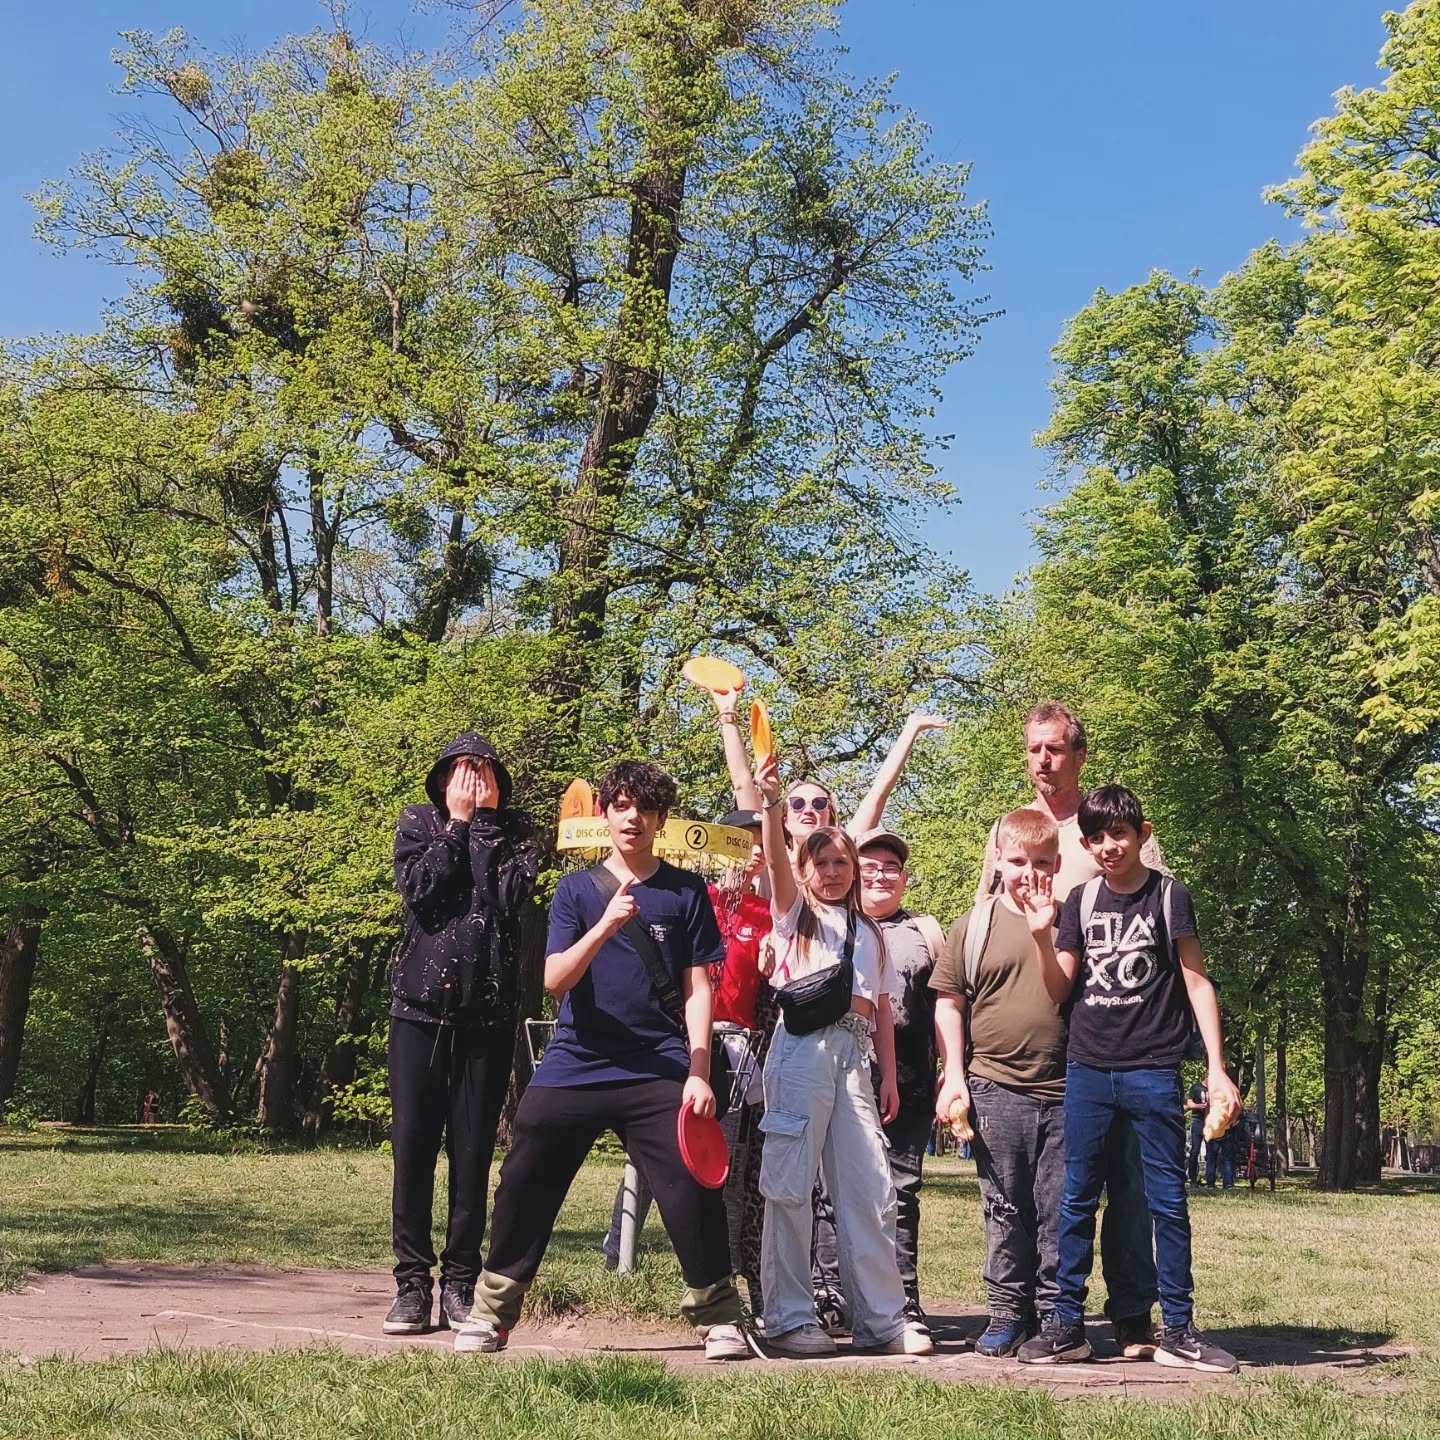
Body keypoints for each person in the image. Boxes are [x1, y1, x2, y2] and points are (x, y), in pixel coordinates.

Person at [452, 760, 750, 1361]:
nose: (631, 817)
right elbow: (554, 979)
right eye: (620, 805)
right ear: (605, 814)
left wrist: (698, 1072)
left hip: (659, 1065)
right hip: (577, 1061)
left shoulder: (686, 891)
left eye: (644, 808)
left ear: (660, 819)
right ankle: (491, 1313)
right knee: (523, 1177)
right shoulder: (576, 891)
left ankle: (718, 1315)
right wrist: (604, 927)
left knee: (693, 1187)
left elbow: (699, 989)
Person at [1016, 785, 1242, 1372]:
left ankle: (1180, 1329)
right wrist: (1043, 933)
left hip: (1152, 1071)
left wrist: (1216, 1069)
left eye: (1120, 834)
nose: (1109, 847)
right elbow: (1059, 988)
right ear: (1085, 844)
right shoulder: (1081, 902)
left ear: (1142, 832)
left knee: (1166, 1202)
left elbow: (1196, 982)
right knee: (1076, 1202)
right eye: (1096, 838)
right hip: (1088, 1070)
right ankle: (1066, 1326)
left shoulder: (1169, 897)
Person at [973, 702, 1162, 1357]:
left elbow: (1157, 915)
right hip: (1034, 1049)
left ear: (1079, 755)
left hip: (1114, 1032)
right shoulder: (1008, 830)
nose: (1043, 761)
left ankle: (1134, 1310)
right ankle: (1035, 1312)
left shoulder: (1107, 828)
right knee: (1050, 1193)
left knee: (1128, 1183)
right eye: (1033, 750)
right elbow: (985, 919)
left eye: (1055, 749)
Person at [752, 752, 933, 1358]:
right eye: (821, 863)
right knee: (790, 1186)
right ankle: (790, 1317)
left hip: (856, 1059)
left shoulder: (871, 931)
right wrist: (775, 805)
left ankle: (881, 1318)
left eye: (841, 863)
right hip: (801, 1051)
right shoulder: (794, 914)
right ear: (804, 870)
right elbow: (775, 855)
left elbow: (880, 1006)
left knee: (870, 1187)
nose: (831, 872)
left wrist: (887, 1075)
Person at [385, 733, 541, 1334]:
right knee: (414, 1147)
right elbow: (421, 893)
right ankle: (410, 1284)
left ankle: (459, 1282)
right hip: (418, 1010)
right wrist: (453, 826)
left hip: (488, 1013)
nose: (473, 783)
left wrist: (482, 828)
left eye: (484, 773)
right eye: (462, 772)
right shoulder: (418, 821)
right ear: (443, 777)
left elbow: (504, 898)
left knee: (473, 1152)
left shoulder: (518, 833)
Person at [932, 808, 1068, 1358]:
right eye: (1016, 861)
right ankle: (1007, 1311)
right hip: (994, 1085)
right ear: (998, 862)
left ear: (1057, 865)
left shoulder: (1075, 917)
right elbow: (949, 1003)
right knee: (1006, 1206)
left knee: (1060, 1208)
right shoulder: (974, 925)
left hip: (1066, 1091)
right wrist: (954, 1075)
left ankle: (1058, 1312)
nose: (1028, 872)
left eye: (1040, 861)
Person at [811, 826, 943, 1340]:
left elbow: (945, 1009)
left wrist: (951, 1075)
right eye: (869, 868)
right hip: (834, 1075)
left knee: (900, 1193)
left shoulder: (926, 932)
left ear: (904, 878)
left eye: (891, 867)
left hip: (905, 1084)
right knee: (829, 1192)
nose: (880, 875)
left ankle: (902, 1299)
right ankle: (831, 1296)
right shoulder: (827, 923)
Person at [1185, 1080, 1208, 1189]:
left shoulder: (1215, 1087)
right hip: (1197, 1120)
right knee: (1195, 1151)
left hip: (1211, 1121)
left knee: (1212, 1152)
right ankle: (1192, 1178)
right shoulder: (1196, 1087)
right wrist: (1200, 1106)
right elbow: (1189, 1104)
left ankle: (1210, 1180)